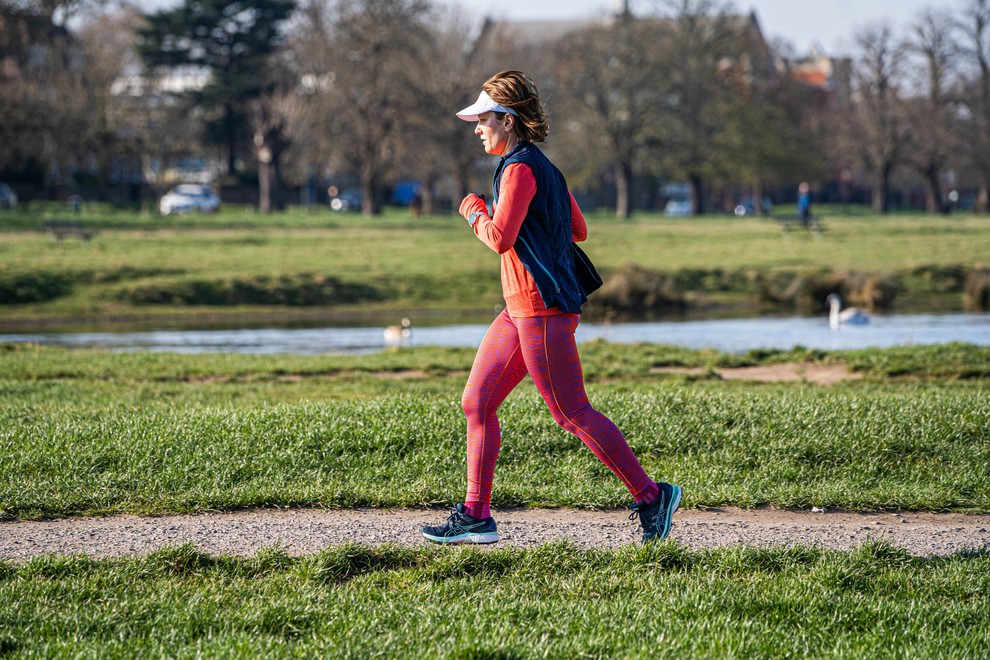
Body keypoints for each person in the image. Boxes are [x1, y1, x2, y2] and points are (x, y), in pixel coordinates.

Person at [420, 70, 681, 546]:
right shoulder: (545, 169)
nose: (476, 127)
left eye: (483, 119)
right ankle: (476, 515)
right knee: (477, 402)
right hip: (519, 310)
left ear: (508, 120)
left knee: (571, 412)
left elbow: (500, 238)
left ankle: (651, 497)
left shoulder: (520, 170)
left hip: (540, 311)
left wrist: (474, 210)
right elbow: (577, 229)